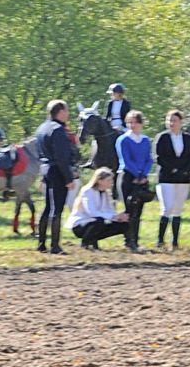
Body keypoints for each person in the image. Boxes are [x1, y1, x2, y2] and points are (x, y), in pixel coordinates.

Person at [32, 99, 77, 254]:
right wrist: (69, 178)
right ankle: (55, 246)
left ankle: (41, 243)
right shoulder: (58, 130)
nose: (68, 114)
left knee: (47, 207)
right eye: (67, 111)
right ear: (61, 112)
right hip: (57, 171)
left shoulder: (41, 128)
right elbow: (62, 157)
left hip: (45, 169)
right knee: (57, 209)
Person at [154, 109, 190, 249]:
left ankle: (175, 241)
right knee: (167, 208)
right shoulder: (162, 137)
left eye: (174, 120)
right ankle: (160, 240)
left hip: (183, 179)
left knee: (178, 209)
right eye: (169, 120)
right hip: (166, 177)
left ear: (181, 122)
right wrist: (173, 169)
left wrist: (184, 171)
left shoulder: (188, 138)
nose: (171, 123)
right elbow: (159, 157)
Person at [115, 110, 155, 251]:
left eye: (135, 122)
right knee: (129, 209)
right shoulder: (123, 139)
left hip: (142, 177)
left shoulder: (145, 140)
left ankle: (135, 240)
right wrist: (137, 174)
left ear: (140, 123)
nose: (132, 125)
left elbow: (149, 160)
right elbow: (126, 160)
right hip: (127, 176)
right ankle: (128, 240)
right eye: (129, 122)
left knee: (139, 210)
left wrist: (143, 175)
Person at [68, 166, 130, 249]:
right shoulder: (88, 191)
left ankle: (94, 241)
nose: (111, 183)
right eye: (108, 180)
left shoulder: (106, 193)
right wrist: (112, 217)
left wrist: (119, 217)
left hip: (97, 222)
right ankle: (85, 243)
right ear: (99, 180)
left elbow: (110, 211)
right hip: (81, 225)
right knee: (99, 221)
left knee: (124, 225)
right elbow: (91, 212)